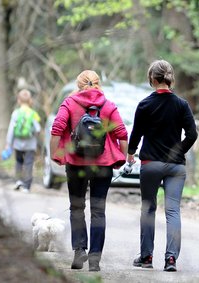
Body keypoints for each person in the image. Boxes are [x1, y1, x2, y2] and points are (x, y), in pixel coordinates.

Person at [50, 70, 128, 272]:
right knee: (98, 211)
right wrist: (124, 158)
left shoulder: (69, 103)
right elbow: (122, 134)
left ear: (78, 84)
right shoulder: (108, 105)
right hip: (103, 165)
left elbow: (57, 128)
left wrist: (55, 154)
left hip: (76, 163)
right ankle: (95, 259)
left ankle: (79, 251)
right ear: (98, 84)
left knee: (76, 207)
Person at [128, 60, 198, 272]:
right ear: (170, 78)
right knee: (173, 211)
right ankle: (171, 260)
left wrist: (130, 154)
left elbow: (136, 134)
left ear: (152, 78)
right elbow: (192, 134)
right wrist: (178, 151)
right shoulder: (181, 104)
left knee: (148, 209)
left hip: (150, 164)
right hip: (175, 167)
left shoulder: (145, 104)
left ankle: (147, 257)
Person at [5, 89, 41, 193]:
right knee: (29, 163)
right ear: (30, 100)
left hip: (18, 144)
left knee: (18, 162)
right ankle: (26, 186)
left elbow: (11, 130)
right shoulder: (33, 113)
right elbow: (38, 129)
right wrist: (33, 134)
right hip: (30, 145)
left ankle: (18, 181)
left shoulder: (16, 113)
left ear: (18, 100)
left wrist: (8, 143)